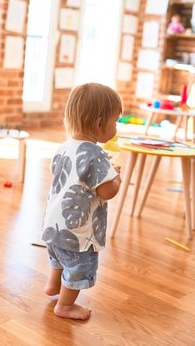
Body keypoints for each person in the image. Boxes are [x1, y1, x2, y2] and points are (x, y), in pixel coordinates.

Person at [41, 83, 123, 320]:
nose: (116, 127)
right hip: (78, 233)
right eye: (115, 121)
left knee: (58, 257)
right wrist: (115, 176)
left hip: (53, 225)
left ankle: (52, 285)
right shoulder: (96, 155)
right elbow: (107, 191)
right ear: (99, 124)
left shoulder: (64, 147)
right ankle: (65, 306)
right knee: (78, 267)